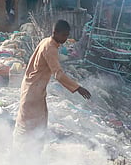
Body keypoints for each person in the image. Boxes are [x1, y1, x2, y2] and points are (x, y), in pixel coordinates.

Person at [13, 20, 91, 149]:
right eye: (64, 35)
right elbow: (58, 74)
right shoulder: (50, 48)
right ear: (55, 33)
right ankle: (22, 156)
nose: (65, 39)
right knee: (28, 127)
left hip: (34, 89)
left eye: (67, 35)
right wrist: (78, 88)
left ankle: (31, 155)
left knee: (36, 124)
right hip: (33, 92)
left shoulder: (46, 41)